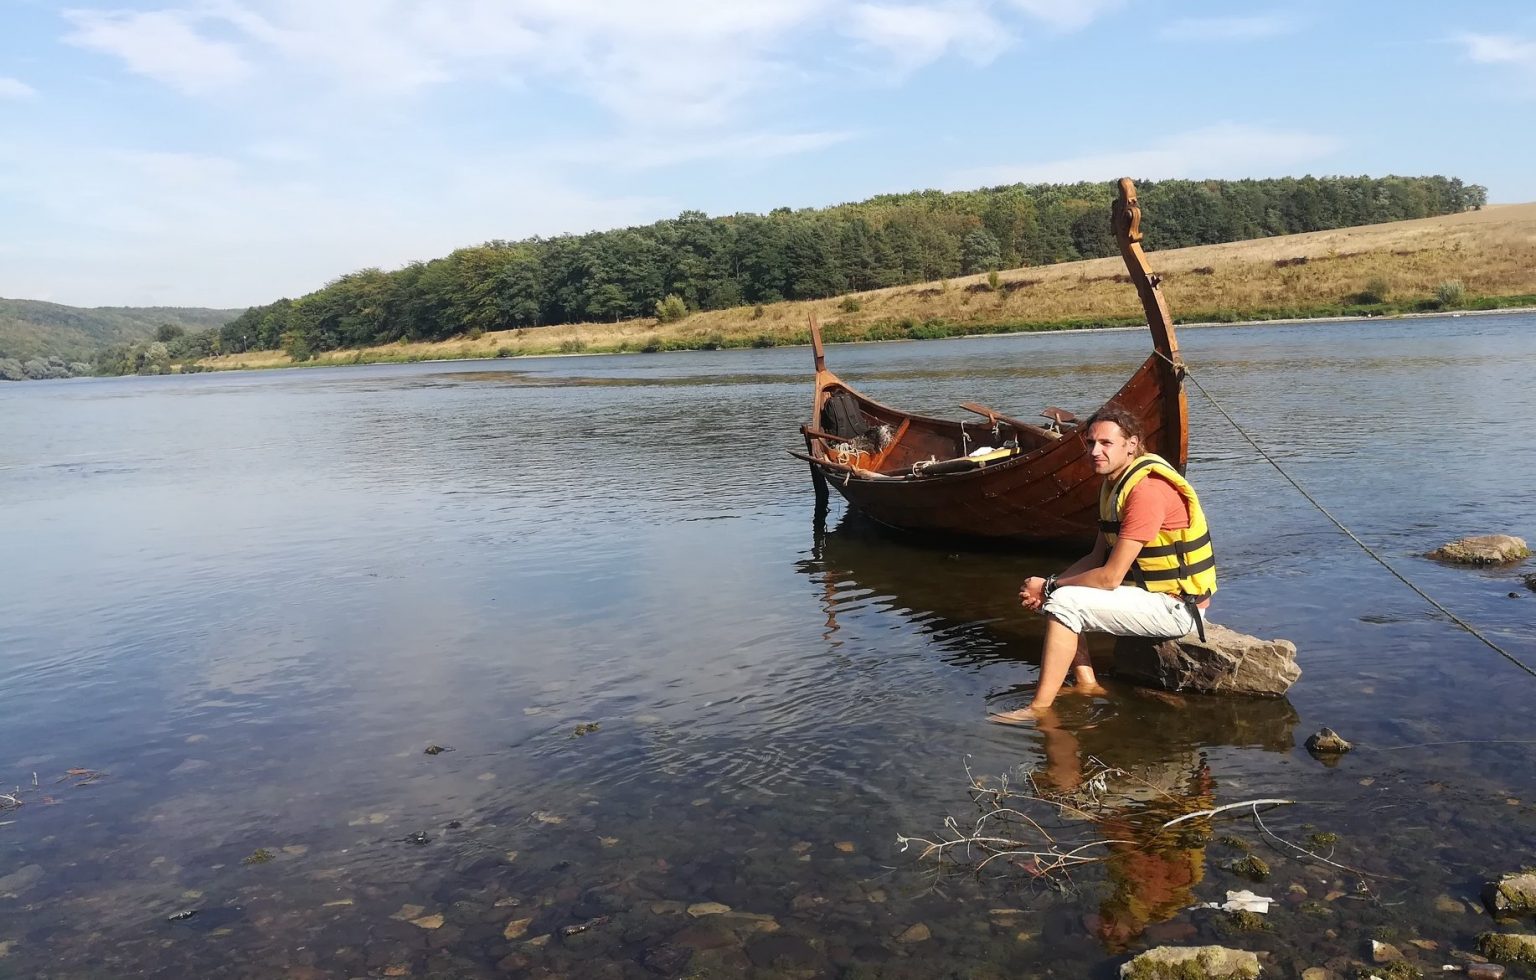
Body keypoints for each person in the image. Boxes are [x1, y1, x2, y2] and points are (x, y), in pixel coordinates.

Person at [989, 404, 1216, 725]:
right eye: (1091, 443)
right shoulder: (1115, 486)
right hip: (1150, 597)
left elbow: (1110, 578)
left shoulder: (1146, 491)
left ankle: (1039, 710)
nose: (1096, 451)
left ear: (1132, 444)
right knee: (1058, 599)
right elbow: (1094, 558)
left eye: (1106, 444)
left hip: (1178, 609)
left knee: (1065, 600)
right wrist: (1046, 591)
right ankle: (1087, 683)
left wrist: (1051, 585)